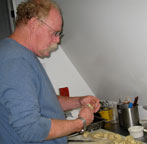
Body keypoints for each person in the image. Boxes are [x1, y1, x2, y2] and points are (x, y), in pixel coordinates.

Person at [0, 0, 100, 143]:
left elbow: (41, 103)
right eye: (54, 32)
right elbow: (30, 128)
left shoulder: (18, 54)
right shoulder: (15, 61)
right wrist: (81, 122)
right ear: (34, 24)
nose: (57, 40)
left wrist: (78, 101)